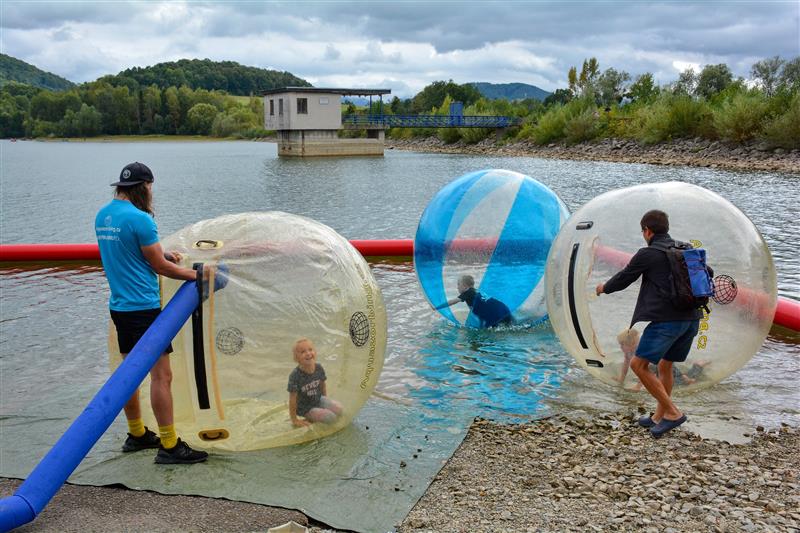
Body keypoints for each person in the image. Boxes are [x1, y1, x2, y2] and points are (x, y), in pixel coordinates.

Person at [96, 162, 209, 464]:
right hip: (144, 308)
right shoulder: (140, 219)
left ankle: (136, 434)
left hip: (119, 306)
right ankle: (170, 446)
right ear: (143, 187)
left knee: (129, 375)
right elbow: (160, 267)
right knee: (162, 376)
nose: (151, 194)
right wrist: (194, 275)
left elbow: (134, 254)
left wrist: (162, 255)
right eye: (150, 188)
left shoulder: (103, 215)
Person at [596, 209, 702, 438]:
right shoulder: (686, 248)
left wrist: (603, 287)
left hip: (667, 322)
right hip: (692, 319)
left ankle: (673, 413)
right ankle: (658, 416)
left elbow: (625, 277)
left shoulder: (648, 253)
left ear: (647, 230)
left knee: (638, 365)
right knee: (665, 365)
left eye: (643, 231)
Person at [287, 338, 342, 427]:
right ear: (296, 358)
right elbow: (292, 400)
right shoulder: (295, 376)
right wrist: (295, 420)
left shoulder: (319, 368)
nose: (308, 353)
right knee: (330, 417)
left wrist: (325, 403)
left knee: (339, 409)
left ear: (315, 352)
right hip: (306, 408)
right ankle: (310, 417)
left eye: (310, 350)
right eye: (303, 352)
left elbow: (322, 386)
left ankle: (319, 413)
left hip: (318, 399)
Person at [436, 275, 513, 328]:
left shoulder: (468, 293)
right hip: (503, 309)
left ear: (465, 286)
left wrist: (437, 307)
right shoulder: (476, 292)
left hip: (496, 314)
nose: (457, 287)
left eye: (458, 284)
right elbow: (482, 313)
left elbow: (453, 301)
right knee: (512, 327)